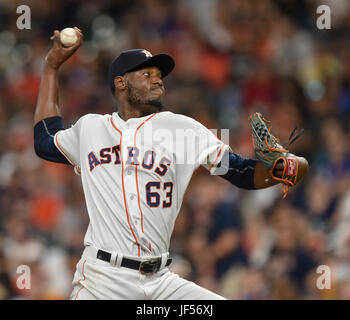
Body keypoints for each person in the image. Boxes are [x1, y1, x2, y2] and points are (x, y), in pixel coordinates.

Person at [34, 28, 285, 300]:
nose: (158, 81)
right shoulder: (91, 128)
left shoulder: (182, 128)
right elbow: (45, 139)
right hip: (103, 281)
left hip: (161, 283)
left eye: (159, 76)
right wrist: (51, 67)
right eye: (147, 74)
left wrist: (281, 170)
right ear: (121, 82)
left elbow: (243, 173)